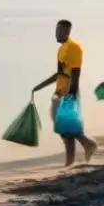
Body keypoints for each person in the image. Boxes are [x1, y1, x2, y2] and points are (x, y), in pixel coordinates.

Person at [32, 20, 96, 167]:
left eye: (60, 31)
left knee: (66, 128)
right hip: (59, 91)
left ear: (67, 32)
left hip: (69, 92)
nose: (57, 34)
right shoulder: (61, 49)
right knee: (64, 128)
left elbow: (75, 73)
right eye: (56, 31)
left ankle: (81, 150)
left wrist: (71, 95)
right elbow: (60, 73)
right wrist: (40, 86)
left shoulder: (74, 48)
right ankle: (81, 151)